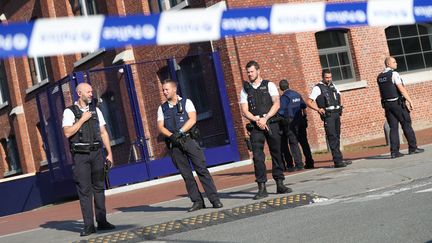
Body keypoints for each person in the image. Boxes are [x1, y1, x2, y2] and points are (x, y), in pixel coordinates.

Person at [157, 79, 223, 212]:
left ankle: (215, 199)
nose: (164, 92)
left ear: (174, 89)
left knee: (201, 169)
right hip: (174, 144)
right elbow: (160, 126)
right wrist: (171, 136)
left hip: (188, 140)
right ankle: (197, 201)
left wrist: (180, 132)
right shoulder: (162, 108)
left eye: (166, 89)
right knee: (186, 174)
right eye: (163, 90)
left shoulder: (186, 102)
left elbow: (193, 119)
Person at [62, 83, 115, 237]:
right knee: (85, 190)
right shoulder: (69, 112)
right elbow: (67, 133)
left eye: (92, 91)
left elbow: (103, 132)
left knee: (99, 187)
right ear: (79, 93)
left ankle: (102, 221)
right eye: (88, 92)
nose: (91, 94)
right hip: (81, 155)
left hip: (97, 153)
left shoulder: (96, 110)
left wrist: (109, 153)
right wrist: (82, 120)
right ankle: (89, 225)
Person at [240, 60, 292, 200]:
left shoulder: (269, 85)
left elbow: (276, 103)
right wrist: (257, 120)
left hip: (271, 122)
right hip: (256, 126)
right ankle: (262, 187)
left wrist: (266, 118)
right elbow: (244, 110)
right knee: (258, 157)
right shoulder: (245, 90)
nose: (250, 74)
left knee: (276, 152)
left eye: (252, 71)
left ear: (258, 71)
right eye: (248, 72)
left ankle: (280, 184)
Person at [377, 57, 425, 158]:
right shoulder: (394, 74)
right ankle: (413, 148)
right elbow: (401, 89)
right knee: (406, 124)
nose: (396, 63)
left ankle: (394, 152)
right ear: (388, 64)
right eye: (394, 62)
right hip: (397, 104)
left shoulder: (380, 76)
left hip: (387, 105)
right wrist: (410, 100)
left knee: (393, 128)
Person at [306, 70, 352, 168]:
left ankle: (339, 158)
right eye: (327, 77)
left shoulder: (333, 86)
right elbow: (309, 102)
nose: (329, 79)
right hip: (328, 115)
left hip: (336, 114)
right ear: (323, 77)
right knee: (332, 137)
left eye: (330, 77)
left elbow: (340, 95)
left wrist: (341, 105)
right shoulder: (318, 88)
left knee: (337, 137)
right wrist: (318, 109)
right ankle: (337, 161)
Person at [278, 79, 314, 171]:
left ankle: (299, 164)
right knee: (304, 142)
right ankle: (310, 162)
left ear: (280, 88)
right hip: (300, 120)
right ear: (288, 85)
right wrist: (304, 117)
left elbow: (281, 111)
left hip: (291, 123)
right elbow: (304, 106)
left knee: (294, 143)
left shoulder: (284, 97)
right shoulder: (297, 94)